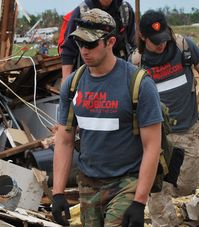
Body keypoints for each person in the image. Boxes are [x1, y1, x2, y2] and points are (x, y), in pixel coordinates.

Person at [52, 9, 163, 226]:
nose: (84, 50)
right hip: (88, 184)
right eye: (79, 43)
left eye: (91, 44)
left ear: (110, 41)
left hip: (126, 182)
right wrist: (57, 194)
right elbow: (65, 140)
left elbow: (152, 146)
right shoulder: (73, 85)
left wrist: (139, 201)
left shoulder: (139, 84)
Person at [130, 10, 199, 226]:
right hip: (156, 135)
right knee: (157, 187)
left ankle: (170, 192)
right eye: (155, 42)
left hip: (187, 129)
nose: (161, 45)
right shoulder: (136, 62)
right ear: (143, 38)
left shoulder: (183, 46)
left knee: (189, 182)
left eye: (164, 38)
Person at [60, 0, 136, 80]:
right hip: (89, 74)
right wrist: (66, 82)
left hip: (120, 73)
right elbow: (68, 49)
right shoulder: (82, 11)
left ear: (111, 42)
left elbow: (133, 43)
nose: (84, 51)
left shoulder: (125, 10)